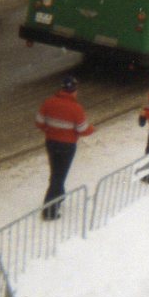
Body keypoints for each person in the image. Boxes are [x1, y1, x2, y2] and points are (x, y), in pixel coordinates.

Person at [35, 75, 94, 219]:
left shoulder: (49, 102)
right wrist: (93, 129)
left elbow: (39, 122)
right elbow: (83, 129)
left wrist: (50, 130)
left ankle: (59, 196)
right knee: (59, 176)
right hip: (67, 146)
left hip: (51, 143)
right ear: (74, 91)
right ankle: (50, 211)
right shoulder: (76, 108)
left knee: (55, 172)